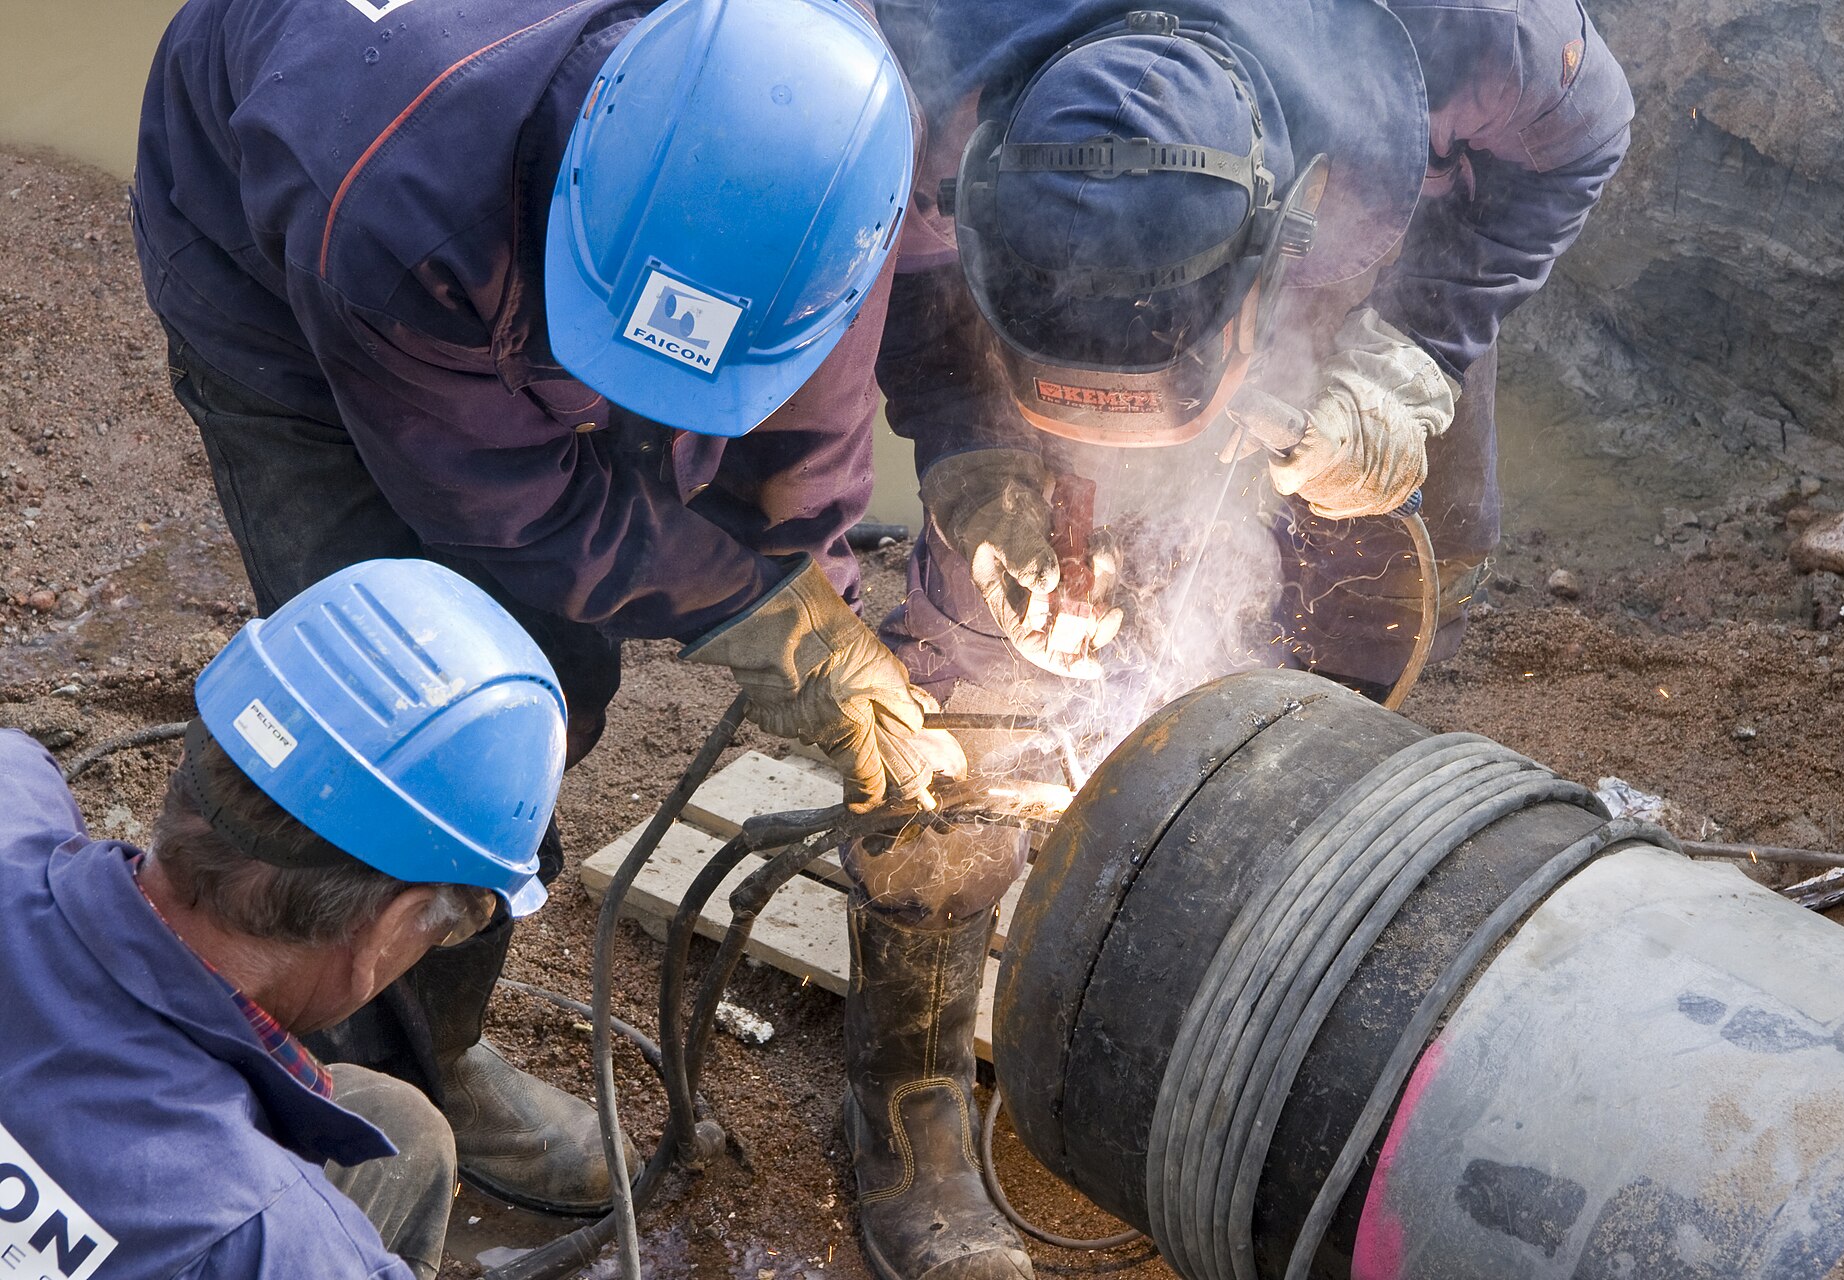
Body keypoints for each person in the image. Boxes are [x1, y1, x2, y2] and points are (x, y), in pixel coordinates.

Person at [847, 2, 1634, 1275]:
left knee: (1341, 602)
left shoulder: (1463, 37)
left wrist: (1415, 348)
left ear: (1290, 226)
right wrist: (974, 451)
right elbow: (905, 271)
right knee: (965, 682)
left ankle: (1262, 984)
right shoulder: (906, 81)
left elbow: (1585, 139)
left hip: (1351, 325)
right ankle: (906, 1099)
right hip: (1063, 278)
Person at [132, 0, 940, 1215]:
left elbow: (814, 382)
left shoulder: (823, 116)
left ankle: (433, 1045)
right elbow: (504, 508)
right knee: (407, 700)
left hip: (521, 221)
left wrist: (812, 594)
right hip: (289, 286)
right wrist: (744, 608)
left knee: (561, 667)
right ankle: (370, 1084)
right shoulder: (387, 202)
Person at [0, 558, 569, 1279]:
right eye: (448, 925)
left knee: (400, 1127)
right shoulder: (270, 1247)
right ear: (389, 930)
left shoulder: (13, 784)